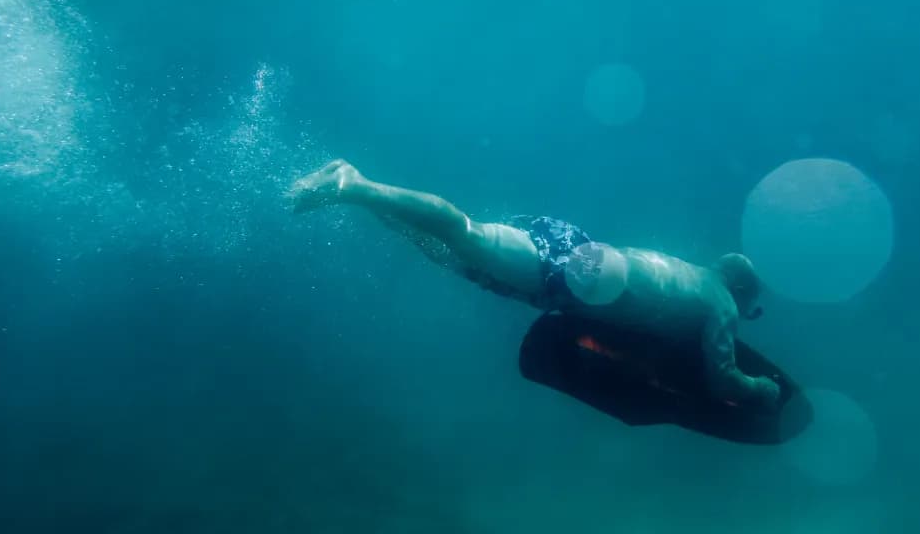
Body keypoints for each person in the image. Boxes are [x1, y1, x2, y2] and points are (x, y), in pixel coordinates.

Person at [290, 159, 781, 408]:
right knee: (466, 234)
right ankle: (355, 184)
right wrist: (762, 390)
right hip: (577, 277)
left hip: (574, 265)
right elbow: (722, 378)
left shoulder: (692, 273)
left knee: (448, 253)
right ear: (741, 291)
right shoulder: (723, 305)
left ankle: (367, 201)